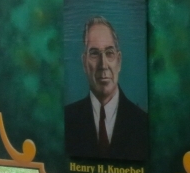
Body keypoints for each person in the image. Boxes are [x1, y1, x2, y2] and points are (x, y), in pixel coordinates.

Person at [64, 15, 149, 161]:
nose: (103, 65)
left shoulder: (143, 123)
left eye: (109, 53)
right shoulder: (67, 120)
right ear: (84, 63)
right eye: (94, 54)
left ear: (119, 61)